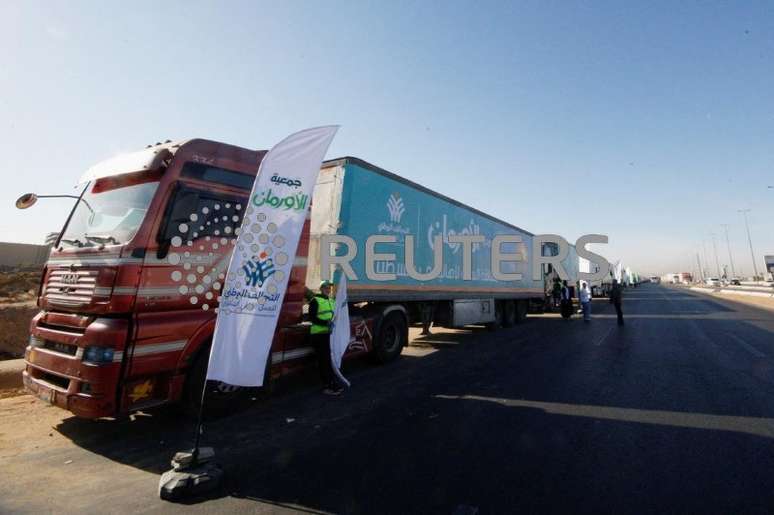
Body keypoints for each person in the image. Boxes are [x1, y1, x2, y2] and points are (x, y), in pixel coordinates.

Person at [309, 280, 343, 395]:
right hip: (319, 334)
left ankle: (331, 382)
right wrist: (325, 323)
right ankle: (327, 386)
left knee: (329, 360)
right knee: (324, 361)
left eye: (329, 287)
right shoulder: (315, 300)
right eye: (326, 287)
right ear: (321, 288)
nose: (328, 289)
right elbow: (312, 318)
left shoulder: (331, 300)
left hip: (329, 335)